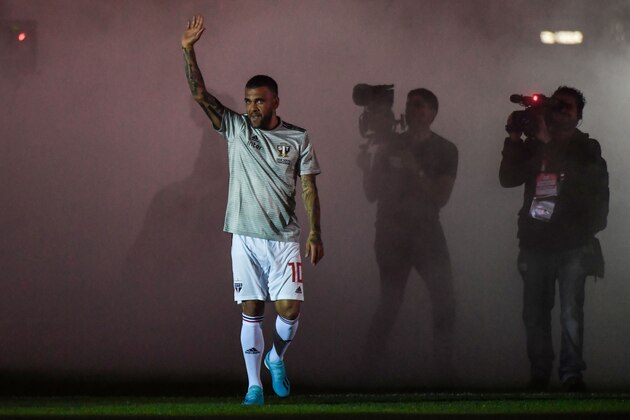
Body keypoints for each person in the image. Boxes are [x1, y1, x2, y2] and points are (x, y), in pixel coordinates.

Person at [180, 15, 324, 405]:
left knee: (290, 310)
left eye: (259, 101)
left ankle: (277, 358)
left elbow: (308, 185)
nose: (252, 107)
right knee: (252, 309)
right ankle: (253, 386)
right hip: (244, 235)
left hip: (285, 238)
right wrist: (188, 50)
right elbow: (201, 96)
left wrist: (315, 232)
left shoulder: (297, 138)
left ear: (276, 100)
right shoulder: (236, 129)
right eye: (247, 101)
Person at [500, 86, 609, 392]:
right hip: (536, 241)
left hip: (573, 242)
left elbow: (590, 187)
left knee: (570, 311)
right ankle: (539, 373)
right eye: (555, 106)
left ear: (578, 117)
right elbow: (506, 178)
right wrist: (514, 139)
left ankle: (571, 374)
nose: (559, 111)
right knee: (534, 312)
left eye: (567, 107)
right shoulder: (534, 143)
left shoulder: (586, 148)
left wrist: (589, 230)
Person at [357, 88, 458, 382]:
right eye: (410, 105)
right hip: (391, 233)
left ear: (433, 113)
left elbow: (441, 197)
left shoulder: (445, 150)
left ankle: (444, 368)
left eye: (421, 106)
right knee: (390, 301)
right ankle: (369, 368)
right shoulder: (390, 146)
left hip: (426, 232)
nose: (413, 110)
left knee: (444, 300)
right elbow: (371, 194)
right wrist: (366, 170)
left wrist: (415, 170)